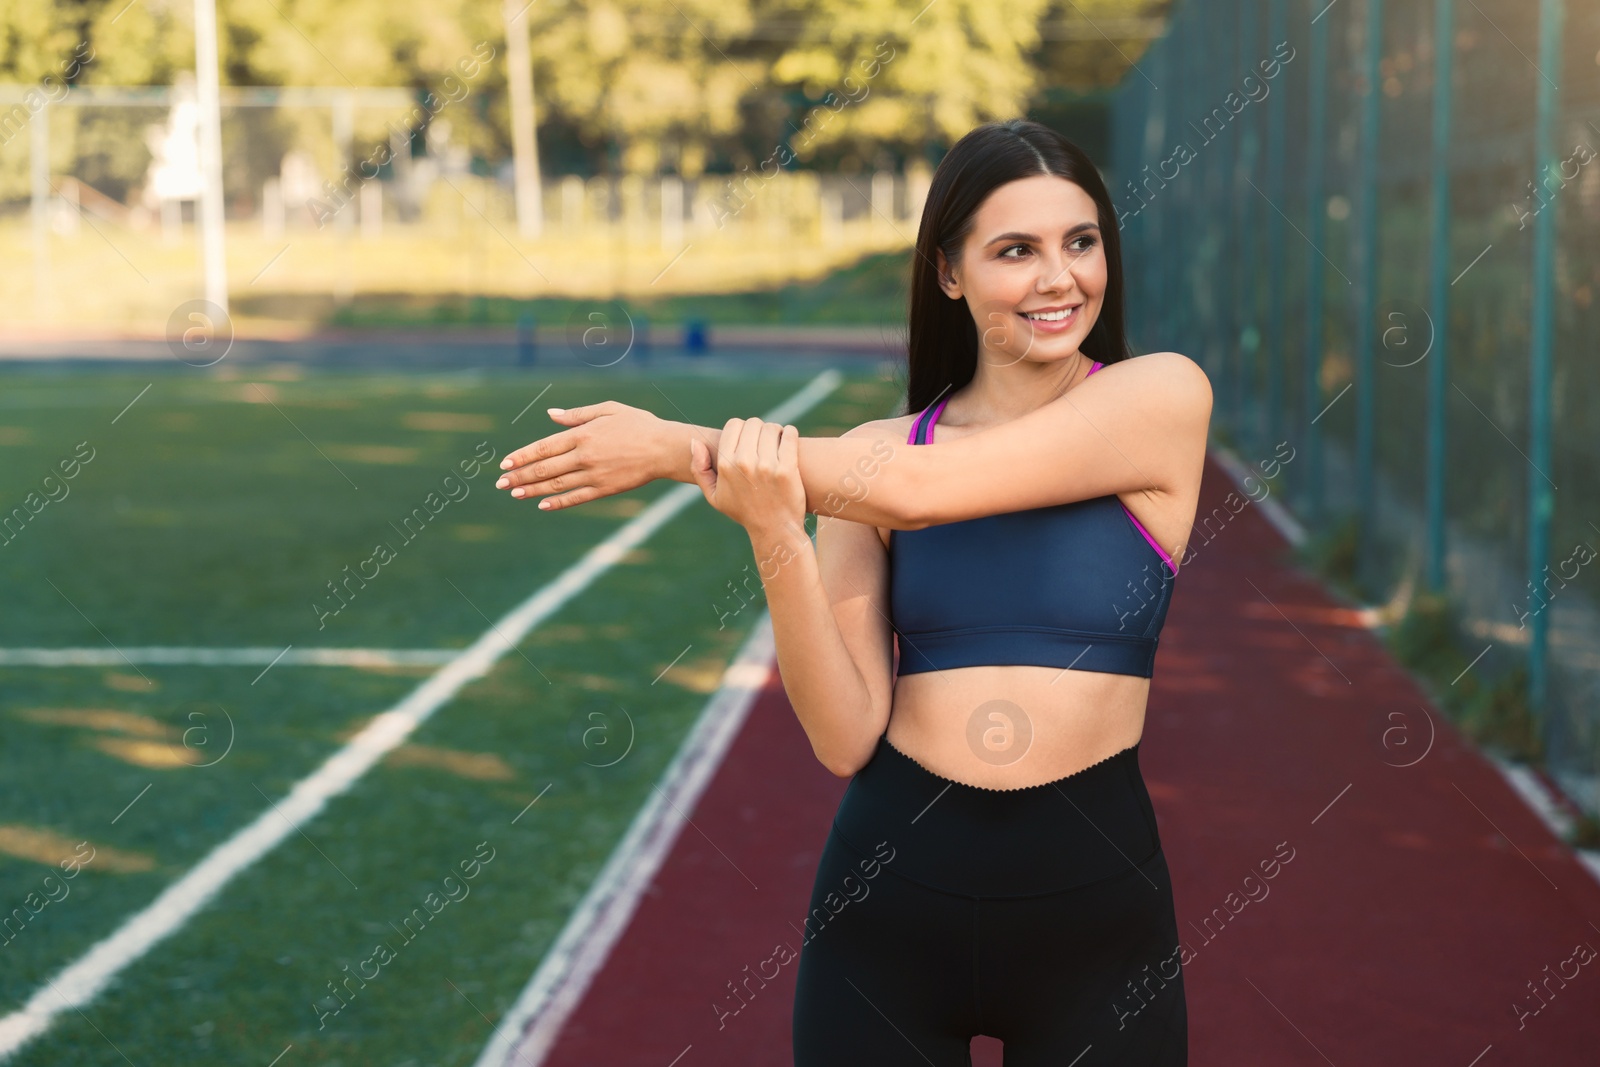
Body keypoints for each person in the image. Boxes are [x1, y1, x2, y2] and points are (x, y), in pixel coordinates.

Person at [493, 118, 1210, 1065]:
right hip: (890, 906)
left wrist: (678, 448)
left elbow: (925, 494)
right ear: (949, 272)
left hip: (1094, 913)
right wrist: (772, 526)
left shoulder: (1159, 398)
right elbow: (843, 734)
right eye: (1015, 250)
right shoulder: (866, 458)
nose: (1059, 277)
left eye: (1081, 243)